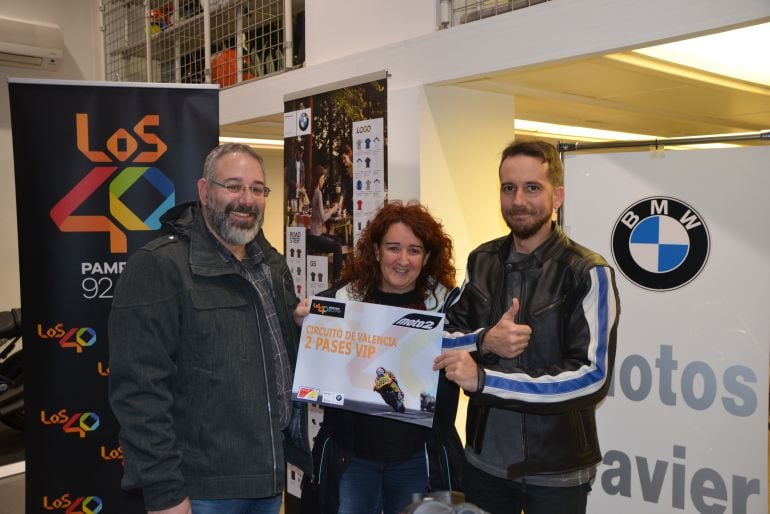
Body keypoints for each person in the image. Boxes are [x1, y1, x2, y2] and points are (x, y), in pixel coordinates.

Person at [108, 143, 310, 514]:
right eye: (233, 186)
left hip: (266, 479)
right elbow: (139, 389)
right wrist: (164, 491)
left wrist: (298, 328)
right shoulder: (160, 267)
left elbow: (266, 359)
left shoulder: (271, 265)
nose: (246, 199)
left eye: (256, 189)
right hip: (199, 490)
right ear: (204, 191)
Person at [435, 140, 620, 514]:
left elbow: (592, 377)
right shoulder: (482, 259)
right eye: (509, 188)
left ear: (557, 196)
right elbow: (440, 337)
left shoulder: (587, 271)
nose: (518, 200)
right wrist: (486, 340)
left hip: (557, 469)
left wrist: (487, 380)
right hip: (484, 460)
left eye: (532, 187)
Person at [298, 201, 464, 514]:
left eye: (414, 250)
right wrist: (302, 329)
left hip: (419, 461)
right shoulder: (338, 303)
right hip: (353, 461)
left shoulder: (450, 309)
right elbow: (314, 372)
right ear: (376, 251)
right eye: (393, 248)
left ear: (427, 257)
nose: (403, 260)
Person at [306, 163, 343, 281]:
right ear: (319, 178)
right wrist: (332, 210)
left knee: (338, 239)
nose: (324, 180)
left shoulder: (314, 191)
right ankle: (336, 277)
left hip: (314, 235)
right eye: (323, 178)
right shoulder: (318, 192)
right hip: (315, 238)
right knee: (337, 246)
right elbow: (323, 218)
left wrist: (328, 210)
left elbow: (318, 212)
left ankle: (337, 271)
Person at [338, 144, 354, 215]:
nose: (343, 161)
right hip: (349, 201)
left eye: (344, 158)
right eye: (342, 159)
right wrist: (340, 203)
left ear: (349, 155)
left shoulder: (356, 166)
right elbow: (343, 188)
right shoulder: (343, 171)